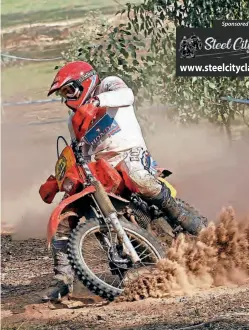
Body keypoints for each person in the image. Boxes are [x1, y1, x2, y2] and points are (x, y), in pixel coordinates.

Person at [41, 61, 206, 302]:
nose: (67, 98)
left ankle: (188, 221)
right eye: (63, 94)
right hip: (102, 167)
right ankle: (63, 280)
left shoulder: (108, 85)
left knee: (138, 177)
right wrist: (57, 179)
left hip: (130, 153)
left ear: (83, 82)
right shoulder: (73, 121)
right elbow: (82, 153)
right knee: (69, 215)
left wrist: (96, 102)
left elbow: (127, 95)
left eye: (69, 90)